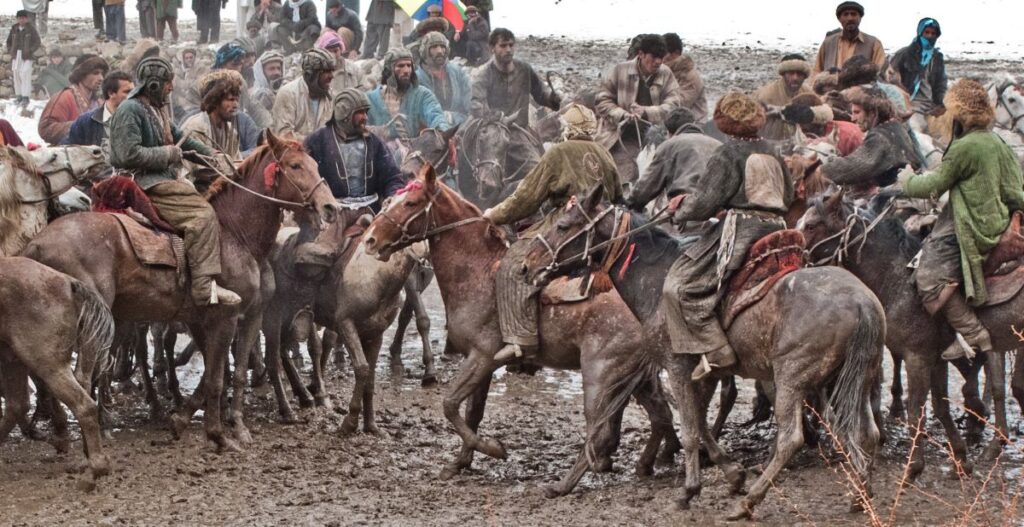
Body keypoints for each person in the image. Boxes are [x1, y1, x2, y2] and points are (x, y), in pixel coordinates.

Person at [662, 93, 792, 380]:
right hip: (779, 228)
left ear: (725, 123)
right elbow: (790, 194)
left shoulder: (728, 152)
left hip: (742, 230)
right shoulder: (774, 150)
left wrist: (679, 209)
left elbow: (703, 204)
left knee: (680, 286)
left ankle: (714, 347)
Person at [897, 79, 1024, 360]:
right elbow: (1017, 193)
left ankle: (972, 332)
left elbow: (932, 187)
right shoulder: (999, 142)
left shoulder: (964, 147)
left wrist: (906, 179)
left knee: (928, 276)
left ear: (958, 113)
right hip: (999, 223)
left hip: (970, 228)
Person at [484, 104, 622, 362]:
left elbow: (525, 199)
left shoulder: (558, 152)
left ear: (567, 129)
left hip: (566, 221)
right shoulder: (604, 153)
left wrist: (494, 214)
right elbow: (619, 196)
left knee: (514, 265)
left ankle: (521, 339)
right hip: (603, 225)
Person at [109, 56, 240, 306]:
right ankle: (202, 286)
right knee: (202, 215)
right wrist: (167, 154)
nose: (171, 88)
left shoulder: (156, 110)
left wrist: (210, 155)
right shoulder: (130, 110)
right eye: (168, 83)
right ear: (155, 84)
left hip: (160, 178)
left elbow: (182, 138)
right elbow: (126, 154)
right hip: (144, 182)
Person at [595, 34, 681, 187]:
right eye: (654, 57)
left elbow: (674, 105)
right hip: (621, 137)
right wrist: (622, 115)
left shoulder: (666, 73)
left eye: (661, 57)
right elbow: (602, 100)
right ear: (641, 54)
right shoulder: (620, 70)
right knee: (624, 179)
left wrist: (647, 112)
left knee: (664, 181)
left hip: (658, 139)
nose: (658, 62)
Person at [305, 88, 404, 207]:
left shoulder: (374, 142)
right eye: (360, 112)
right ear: (344, 113)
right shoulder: (317, 141)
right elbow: (305, 180)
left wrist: (392, 198)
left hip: (371, 211)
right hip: (332, 212)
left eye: (366, 112)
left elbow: (392, 177)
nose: (365, 117)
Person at [822, 86, 922, 195]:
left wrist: (819, 172)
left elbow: (855, 166)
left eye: (857, 112)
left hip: (896, 193)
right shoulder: (894, 127)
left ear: (873, 113)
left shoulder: (880, 136)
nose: (853, 118)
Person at [626, 107, 721, 211]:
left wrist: (629, 205)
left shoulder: (670, 145)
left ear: (668, 132)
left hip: (689, 210)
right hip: (721, 211)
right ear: (693, 123)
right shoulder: (719, 145)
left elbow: (647, 187)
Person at [366, 47, 448, 143]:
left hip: (414, 152)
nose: (406, 70)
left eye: (409, 66)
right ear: (389, 70)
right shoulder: (369, 99)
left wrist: (442, 132)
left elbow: (435, 114)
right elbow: (361, 129)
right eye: (400, 66)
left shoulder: (422, 95)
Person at [752, 53, 835, 141]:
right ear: (783, 74)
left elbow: (825, 114)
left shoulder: (808, 92)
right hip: (770, 139)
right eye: (791, 73)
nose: (795, 78)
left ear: (804, 77)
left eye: (799, 74)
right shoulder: (766, 96)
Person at [891, 18, 947, 135]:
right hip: (908, 105)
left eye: (933, 33)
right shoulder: (904, 54)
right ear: (920, 33)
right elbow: (890, 77)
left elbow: (940, 84)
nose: (929, 36)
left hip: (929, 107)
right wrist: (902, 92)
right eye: (926, 32)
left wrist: (940, 104)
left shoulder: (937, 57)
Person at [39, 55, 109, 145]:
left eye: (102, 74)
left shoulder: (99, 101)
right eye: (95, 73)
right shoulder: (65, 97)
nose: (101, 78)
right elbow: (46, 129)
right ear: (81, 74)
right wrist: (79, 126)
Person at [181, 70, 245, 166]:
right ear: (215, 101)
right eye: (231, 99)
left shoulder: (232, 132)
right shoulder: (195, 129)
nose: (236, 105)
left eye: (237, 100)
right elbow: (193, 171)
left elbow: (236, 163)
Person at [271, 48, 336, 141]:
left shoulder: (330, 96)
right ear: (311, 74)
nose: (331, 76)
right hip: (292, 152)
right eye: (326, 71)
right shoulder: (288, 93)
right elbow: (284, 135)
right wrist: (314, 142)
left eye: (332, 71)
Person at [64, 70, 134, 148]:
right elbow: (67, 149)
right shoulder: (86, 122)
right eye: (127, 92)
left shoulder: (141, 119)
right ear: (111, 93)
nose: (133, 95)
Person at [416, 31, 471, 127]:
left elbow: (470, 101)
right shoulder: (416, 79)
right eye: (434, 47)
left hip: (460, 125)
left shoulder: (458, 72)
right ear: (425, 51)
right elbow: (418, 114)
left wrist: (453, 117)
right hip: (430, 129)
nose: (439, 51)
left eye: (442, 47)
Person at [814, 1, 885, 75]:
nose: (850, 18)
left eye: (853, 14)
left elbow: (880, 72)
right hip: (832, 85)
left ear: (860, 18)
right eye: (845, 14)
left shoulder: (874, 44)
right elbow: (817, 71)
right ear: (839, 19)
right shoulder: (828, 43)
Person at [662, 33, 707, 122]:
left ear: (676, 53)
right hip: (672, 122)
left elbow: (682, 103)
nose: (660, 59)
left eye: (663, 54)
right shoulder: (664, 71)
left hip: (694, 124)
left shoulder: (690, 76)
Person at [6, 11, 42, 108]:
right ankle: (19, 96)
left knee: (25, 74)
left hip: (27, 55)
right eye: (19, 18)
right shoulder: (14, 28)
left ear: (26, 19)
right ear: (17, 19)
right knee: (16, 75)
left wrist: (30, 50)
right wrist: (10, 50)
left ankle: (26, 97)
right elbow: (8, 41)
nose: (21, 20)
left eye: (23, 18)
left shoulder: (31, 29)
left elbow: (37, 41)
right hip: (15, 55)